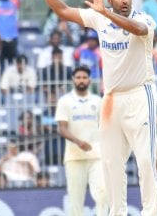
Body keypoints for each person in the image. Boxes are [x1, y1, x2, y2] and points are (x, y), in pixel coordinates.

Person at [33, 0, 157, 214]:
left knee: (146, 160)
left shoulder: (144, 19)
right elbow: (62, 10)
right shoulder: (99, 17)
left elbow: (137, 30)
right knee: (111, 163)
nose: (124, 0)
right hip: (112, 99)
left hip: (140, 94)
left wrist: (106, 13)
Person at [55, 65, 108, 216]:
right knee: (76, 200)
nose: (81, 80)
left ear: (89, 80)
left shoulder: (98, 101)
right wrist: (79, 142)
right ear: (73, 80)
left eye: (84, 77)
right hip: (74, 156)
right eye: (78, 77)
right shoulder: (65, 101)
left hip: (97, 155)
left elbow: (106, 126)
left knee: (103, 193)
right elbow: (62, 128)